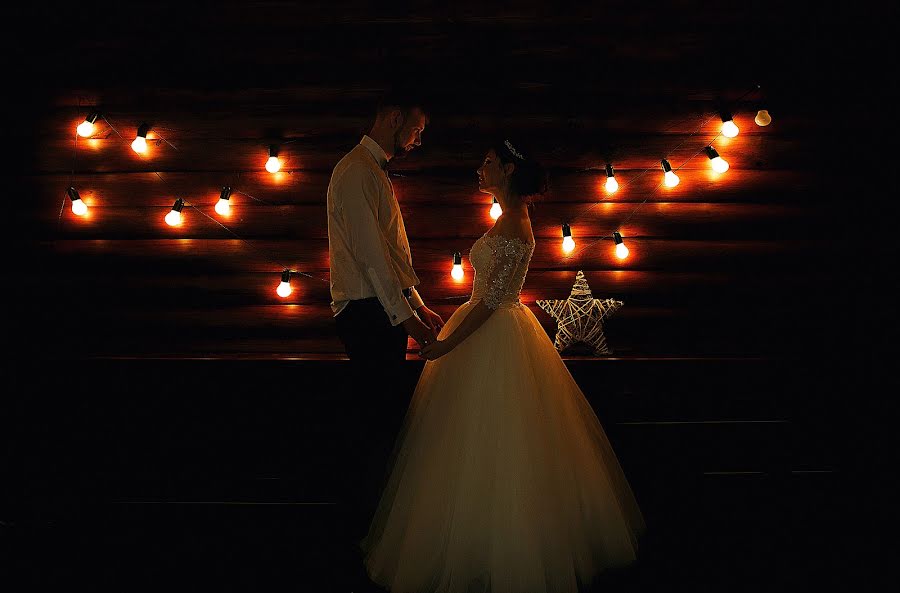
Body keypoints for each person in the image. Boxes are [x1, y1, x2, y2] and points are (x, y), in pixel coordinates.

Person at [359, 139, 645, 593]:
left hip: (492, 332)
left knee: (498, 440)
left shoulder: (514, 225)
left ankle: (500, 550)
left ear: (509, 170)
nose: (480, 168)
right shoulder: (508, 220)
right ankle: (472, 539)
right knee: (468, 440)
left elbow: (491, 302)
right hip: (488, 327)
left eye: (489, 162)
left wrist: (448, 344)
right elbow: (486, 296)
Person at [326, 89, 445, 585]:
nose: (418, 142)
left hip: (383, 311)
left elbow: (394, 255)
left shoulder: (374, 172)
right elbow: (372, 258)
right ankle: (361, 540)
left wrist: (417, 304)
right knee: (377, 427)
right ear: (394, 117)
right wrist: (406, 319)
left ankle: (377, 533)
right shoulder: (354, 171)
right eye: (417, 129)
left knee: (387, 424)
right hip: (365, 313)